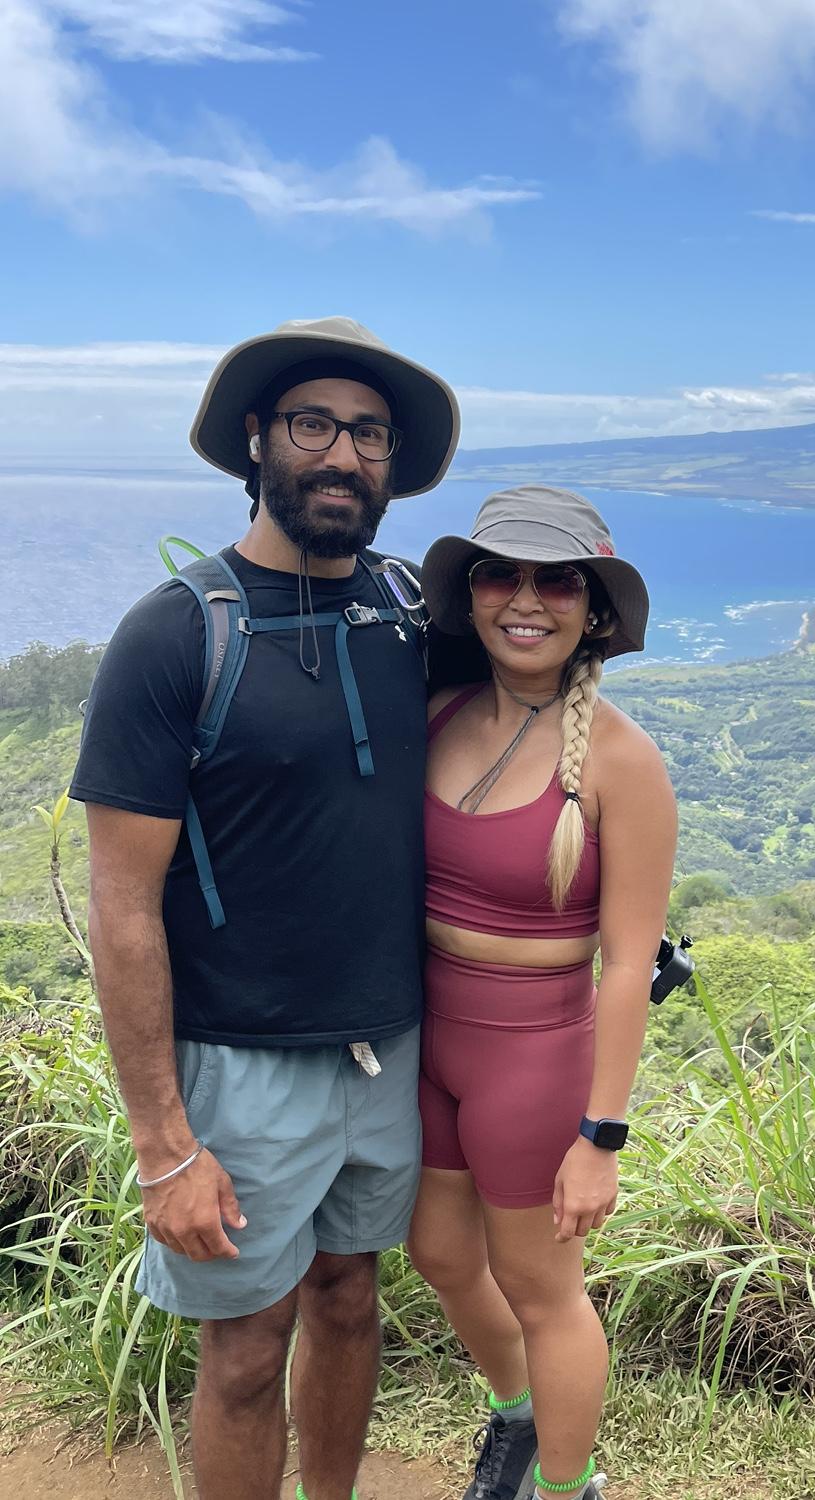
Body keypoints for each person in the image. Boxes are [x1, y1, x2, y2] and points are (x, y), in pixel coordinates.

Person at [70, 316, 460, 1500]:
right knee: (244, 1351)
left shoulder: (409, 612)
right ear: (257, 439)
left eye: (370, 435)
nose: (343, 455)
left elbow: (530, 722)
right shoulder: (176, 634)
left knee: (349, 1299)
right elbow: (122, 908)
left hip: (386, 1046)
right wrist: (163, 1146)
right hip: (237, 1066)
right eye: (314, 425)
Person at [407, 485, 676, 1500]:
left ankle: (569, 1488)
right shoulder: (438, 713)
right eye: (500, 575)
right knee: (438, 1252)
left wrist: (601, 1137)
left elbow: (629, 965)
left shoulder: (621, 761)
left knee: (542, 1288)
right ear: (471, 593)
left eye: (556, 581)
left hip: (532, 1055)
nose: (526, 600)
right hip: (430, 1035)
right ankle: (518, 1418)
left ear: (592, 610)